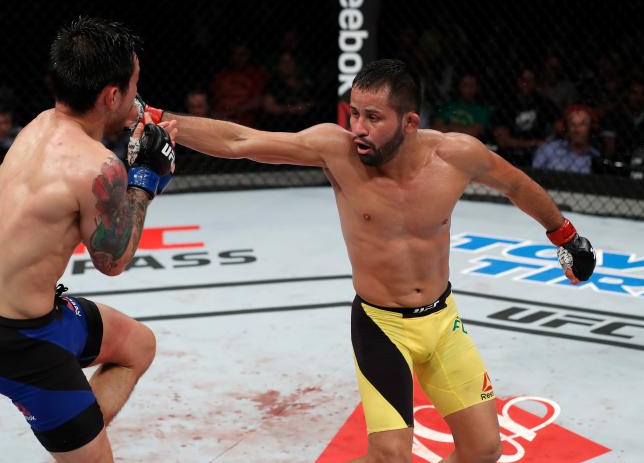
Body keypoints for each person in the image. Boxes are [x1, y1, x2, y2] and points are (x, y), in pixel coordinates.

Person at [142, 59, 596, 462]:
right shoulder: (335, 150)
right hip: (382, 325)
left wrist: (566, 236)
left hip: (442, 321)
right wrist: (159, 118)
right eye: (354, 113)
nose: (358, 127)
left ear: (410, 122)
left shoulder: (456, 156)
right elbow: (241, 139)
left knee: (484, 450)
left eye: (373, 117)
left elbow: (517, 185)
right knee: (390, 457)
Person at [0, 17, 177, 463]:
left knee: (138, 345)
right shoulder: (96, 168)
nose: (138, 96)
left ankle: (75, 437)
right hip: (23, 350)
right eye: (134, 85)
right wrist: (146, 180)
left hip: (32, 316)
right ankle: (78, 445)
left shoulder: (41, 125)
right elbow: (114, 261)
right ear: (110, 95)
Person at [493, 67, 561, 166]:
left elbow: (560, 126)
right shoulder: (506, 104)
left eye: (530, 81)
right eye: (524, 80)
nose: (526, 84)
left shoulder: (543, 103)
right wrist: (535, 143)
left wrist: (550, 142)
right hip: (509, 156)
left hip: (537, 156)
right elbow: (503, 141)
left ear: (535, 83)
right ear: (518, 82)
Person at [532, 105, 601, 174]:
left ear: (590, 128)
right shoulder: (548, 149)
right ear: (567, 127)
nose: (577, 130)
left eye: (582, 125)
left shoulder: (596, 157)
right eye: (572, 124)